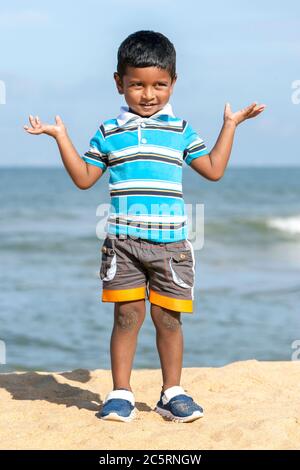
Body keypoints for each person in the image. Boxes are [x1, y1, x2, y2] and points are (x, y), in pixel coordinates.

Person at [24, 30, 266, 423]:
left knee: (169, 318)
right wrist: (61, 138)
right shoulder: (108, 131)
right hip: (122, 244)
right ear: (119, 82)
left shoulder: (181, 130)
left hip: (171, 246)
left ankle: (172, 392)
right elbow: (84, 178)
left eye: (159, 85)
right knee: (126, 316)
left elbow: (214, 170)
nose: (148, 94)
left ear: (173, 83)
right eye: (136, 84)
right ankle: (121, 393)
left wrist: (231, 125)